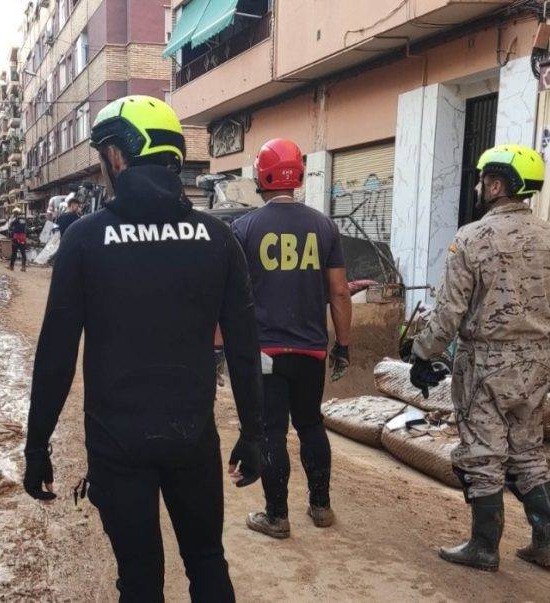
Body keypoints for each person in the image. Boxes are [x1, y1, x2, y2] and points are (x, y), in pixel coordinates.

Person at [24, 95, 264, 602]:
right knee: (206, 561)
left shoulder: (85, 239)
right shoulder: (218, 238)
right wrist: (254, 433)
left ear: (117, 156)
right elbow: (245, 347)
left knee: (139, 579)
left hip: (117, 442)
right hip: (191, 437)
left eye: (103, 154)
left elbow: (56, 355)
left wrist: (37, 444)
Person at [410, 144, 550, 571]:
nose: (479, 186)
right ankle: (546, 543)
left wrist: (423, 354)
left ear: (496, 184)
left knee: (482, 453)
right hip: (537, 362)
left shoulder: (472, 238)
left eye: (482, 179)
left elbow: (449, 311)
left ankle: (484, 546)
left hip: (487, 365)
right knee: (528, 451)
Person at [231, 139, 352, 537]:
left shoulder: (244, 228)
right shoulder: (324, 226)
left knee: (272, 430)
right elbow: (339, 291)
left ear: (261, 175)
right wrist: (343, 345)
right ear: (297, 175)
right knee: (311, 425)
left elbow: (229, 297)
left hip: (265, 352)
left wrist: (220, 349)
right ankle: (320, 507)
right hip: (311, 350)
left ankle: (276, 516)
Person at [9, 207, 27, 272]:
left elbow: (10, 226)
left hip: (16, 237)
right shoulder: (24, 220)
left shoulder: (15, 219)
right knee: (23, 253)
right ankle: (23, 267)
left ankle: (11, 266)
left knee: (14, 252)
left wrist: (12, 218)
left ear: (15, 214)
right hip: (23, 237)